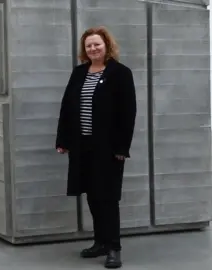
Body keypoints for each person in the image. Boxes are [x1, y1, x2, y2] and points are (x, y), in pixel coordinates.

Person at [55, 26, 137, 269]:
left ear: (107, 46)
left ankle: (114, 248)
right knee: (91, 194)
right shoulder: (79, 73)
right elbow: (67, 107)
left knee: (108, 197)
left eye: (97, 44)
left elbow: (128, 113)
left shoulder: (121, 73)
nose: (93, 49)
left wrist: (122, 147)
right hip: (82, 145)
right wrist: (63, 140)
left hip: (109, 147)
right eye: (89, 45)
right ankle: (100, 242)